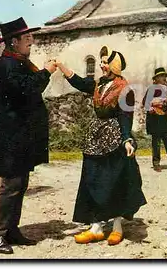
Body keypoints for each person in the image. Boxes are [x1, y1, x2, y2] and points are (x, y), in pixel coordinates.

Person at [0, 17, 57, 254]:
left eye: (31, 36)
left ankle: (11, 230)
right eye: (26, 37)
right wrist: (47, 72)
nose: (31, 40)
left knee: (20, 183)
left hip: (19, 138)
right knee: (11, 185)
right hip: (9, 140)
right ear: (13, 41)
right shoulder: (8, 66)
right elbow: (28, 91)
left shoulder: (18, 63)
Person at [56, 46, 146, 246]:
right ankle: (96, 227)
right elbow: (80, 82)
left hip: (114, 138)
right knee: (92, 179)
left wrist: (126, 139)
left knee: (115, 181)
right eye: (102, 62)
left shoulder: (125, 89)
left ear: (114, 65)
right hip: (95, 137)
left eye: (105, 62)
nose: (101, 65)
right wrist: (62, 66)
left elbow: (126, 117)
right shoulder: (98, 84)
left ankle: (117, 227)